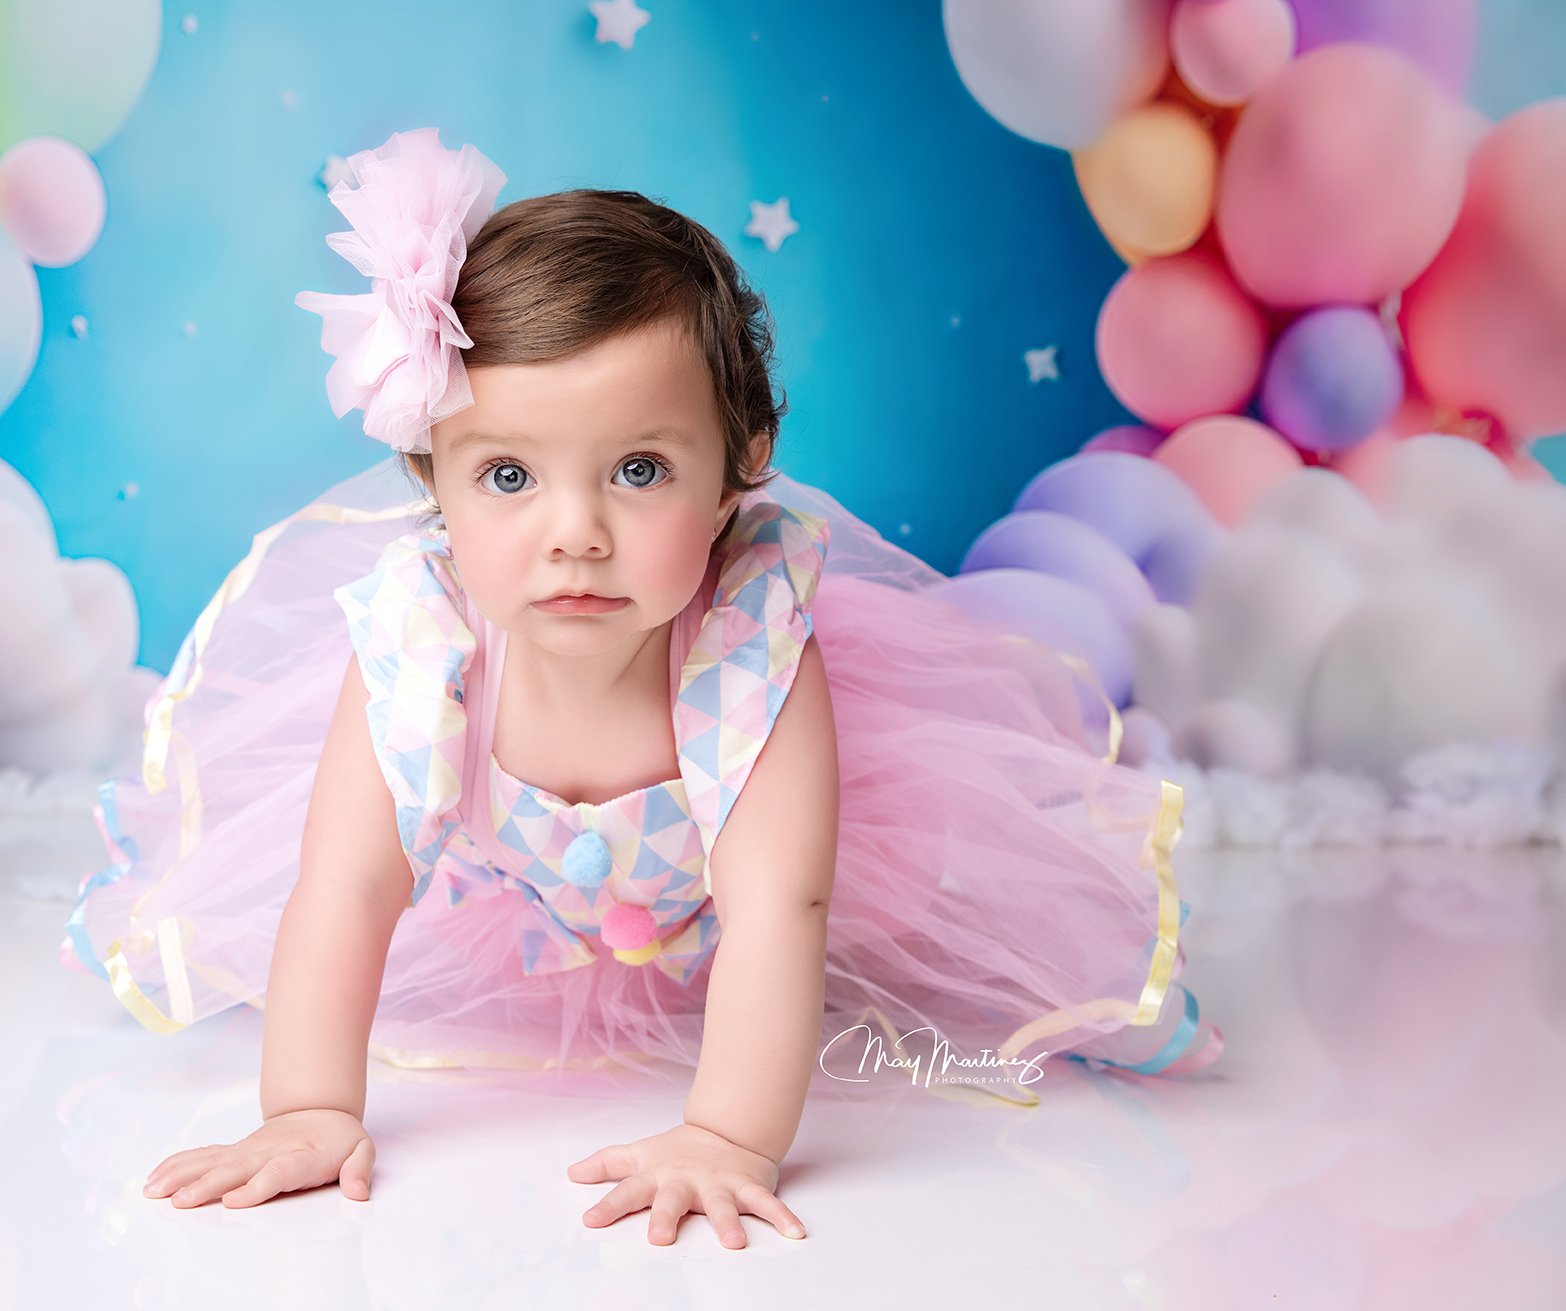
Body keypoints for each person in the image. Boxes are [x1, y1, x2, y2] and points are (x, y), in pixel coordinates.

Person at [65, 127, 1223, 1247]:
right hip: (517, 911)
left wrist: (727, 1136)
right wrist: (309, 1109)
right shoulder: (422, 646)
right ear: (431, 475)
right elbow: (347, 889)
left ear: (737, 467)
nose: (575, 532)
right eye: (507, 475)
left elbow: (779, 910)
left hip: (737, 908)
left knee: (861, 974)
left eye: (638, 469)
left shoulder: (750, 646)